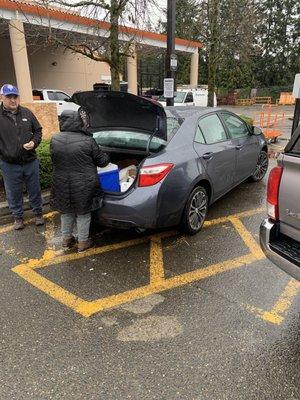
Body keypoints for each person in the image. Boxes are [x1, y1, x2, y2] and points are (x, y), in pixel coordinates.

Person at [50, 109, 109, 252]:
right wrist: (107, 155)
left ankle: (66, 239)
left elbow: (55, 160)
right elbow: (102, 162)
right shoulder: (88, 140)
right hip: (84, 183)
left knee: (66, 210)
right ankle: (83, 242)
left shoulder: (55, 139)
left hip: (61, 182)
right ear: (78, 121)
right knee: (83, 212)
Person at [0, 84, 44, 230]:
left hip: (30, 160)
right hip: (9, 163)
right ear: (2, 97)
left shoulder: (27, 113)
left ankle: (38, 214)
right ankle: (18, 218)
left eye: (15, 96)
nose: (13, 100)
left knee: (34, 189)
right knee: (13, 192)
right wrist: (5, 152)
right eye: (9, 97)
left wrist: (34, 142)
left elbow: (38, 131)